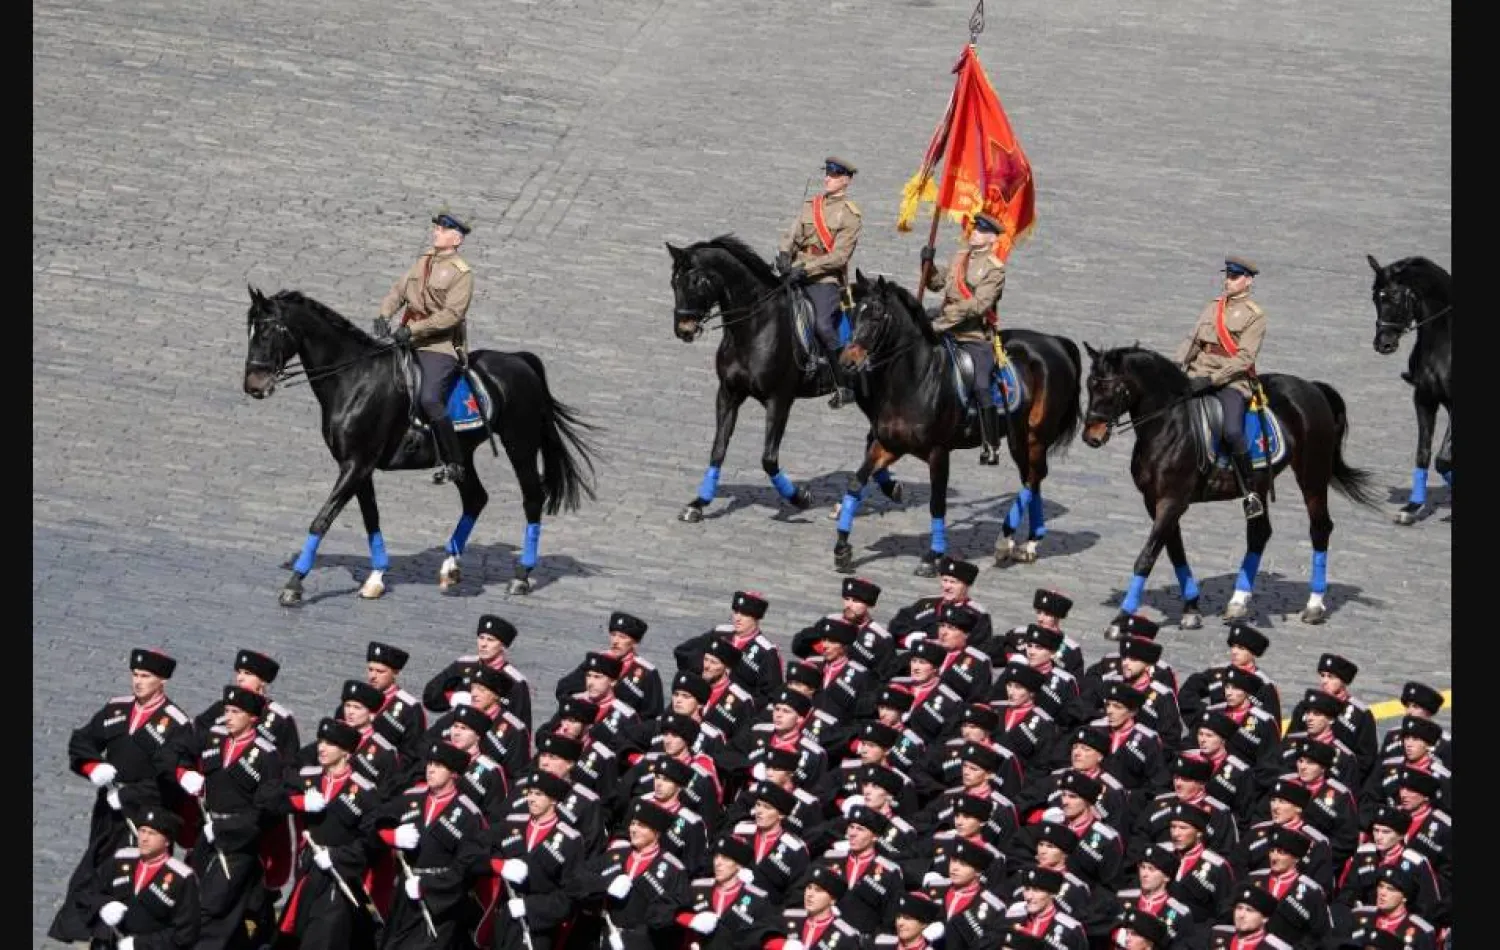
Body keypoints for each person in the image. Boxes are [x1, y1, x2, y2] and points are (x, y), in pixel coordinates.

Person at [374, 207, 476, 483]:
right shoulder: (424, 260)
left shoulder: (461, 274)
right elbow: (400, 289)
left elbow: (451, 315)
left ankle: (454, 461)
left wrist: (413, 330)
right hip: (407, 338)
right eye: (437, 228)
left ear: (457, 239)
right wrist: (384, 314)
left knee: (429, 397)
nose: (436, 232)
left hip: (438, 346)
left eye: (443, 230)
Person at [1172, 256, 1268, 518]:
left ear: (1247, 281)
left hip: (1231, 381)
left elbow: (1245, 358)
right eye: (1227, 275)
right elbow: (1192, 340)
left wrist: (1212, 380)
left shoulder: (1254, 316)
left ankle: (1250, 492)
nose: (1229, 280)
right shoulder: (1213, 307)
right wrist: (1175, 366)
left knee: (1233, 430)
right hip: (1198, 373)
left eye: (1235, 277)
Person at [919, 212, 1009, 464]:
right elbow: (937, 283)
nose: (974, 233)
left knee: (980, 384)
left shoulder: (995, 270)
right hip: (944, 328)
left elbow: (979, 305)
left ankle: (991, 444)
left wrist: (944, 319)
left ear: (992, 238)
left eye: (981, 230)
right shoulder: (960, 257)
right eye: (974, 228)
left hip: (972, 335)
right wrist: (928, 265)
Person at [777, 157, 863, 408]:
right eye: (827, 173)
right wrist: (784, 254)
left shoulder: (850, 216)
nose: (827, 178)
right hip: (794, 270)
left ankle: (843, 383)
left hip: (826, 278)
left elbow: (839, 256)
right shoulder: (810, 205)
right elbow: (792, 234)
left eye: (834, 175)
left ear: (845, 180)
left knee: (824, 324)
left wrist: (805, 268)